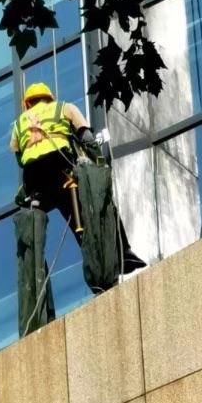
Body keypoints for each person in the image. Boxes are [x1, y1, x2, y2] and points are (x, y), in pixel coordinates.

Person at [10, 82, 145, 276]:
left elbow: (19, 158)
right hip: (61, 168)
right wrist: (98, 163)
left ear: (27, 104)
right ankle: (123, 252)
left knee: (71, 215)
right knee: (97, 206)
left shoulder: (18, 124)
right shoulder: (65, 108)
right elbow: (88, 138)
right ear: (49, 98)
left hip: (34, 180)